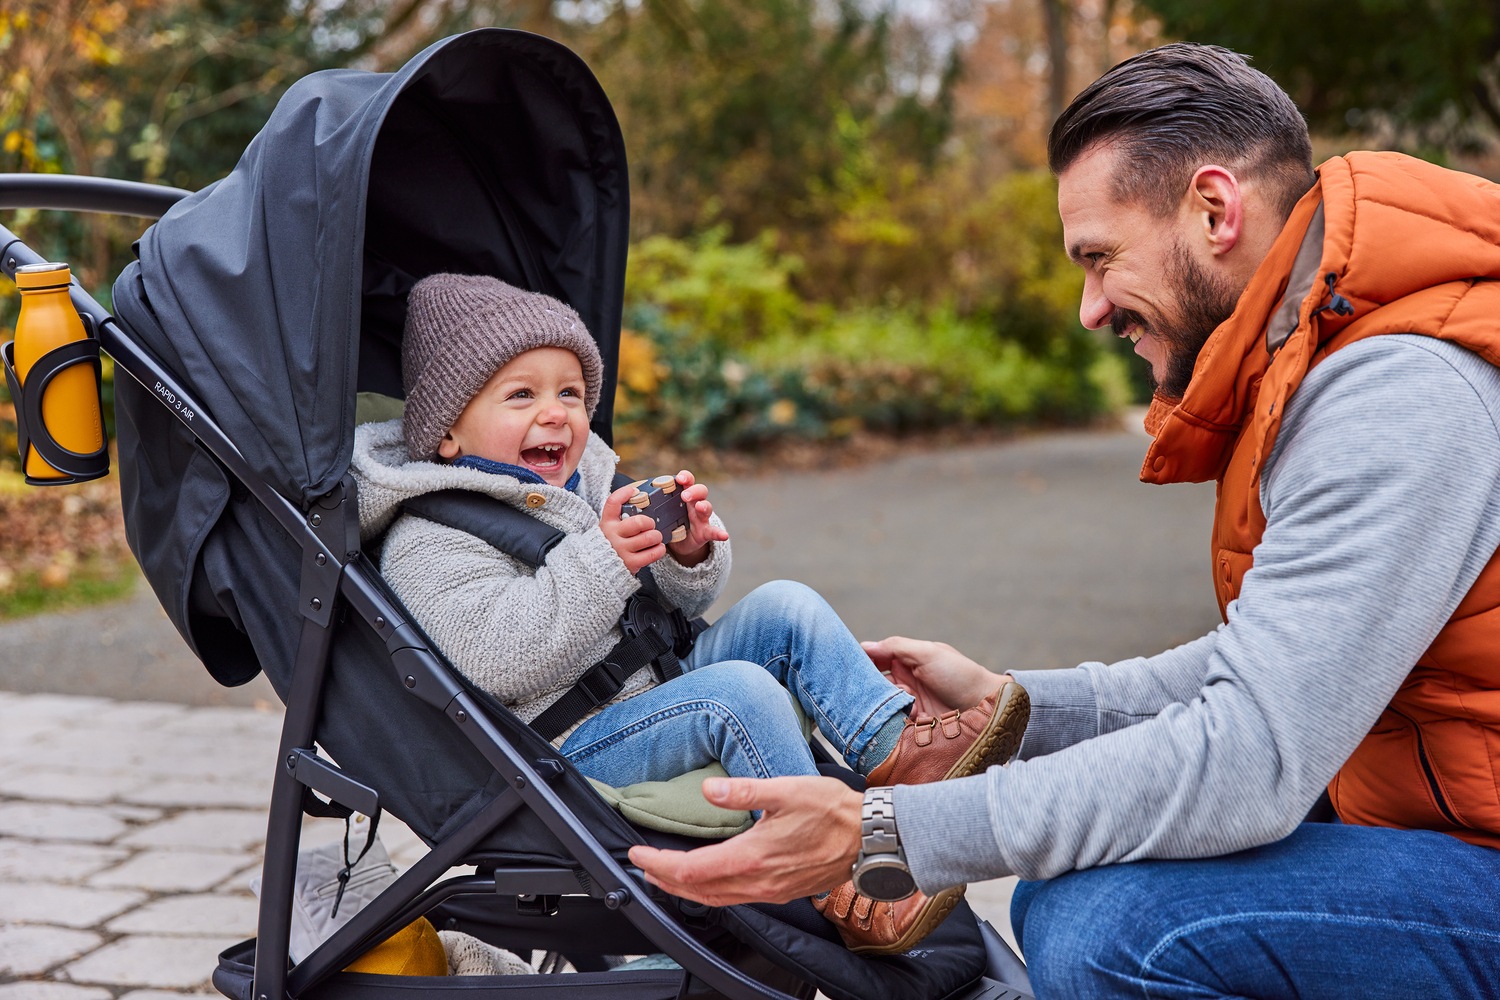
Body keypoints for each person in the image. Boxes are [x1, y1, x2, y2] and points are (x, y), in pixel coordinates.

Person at [629, 42, 1500, 998]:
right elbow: (1268, 665)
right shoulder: (1324, 350)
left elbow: (1251, 755)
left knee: (1114, 927)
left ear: (1215, 210)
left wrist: (888, 838)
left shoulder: (1398, 393)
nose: (1088, 309)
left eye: (1099, 258)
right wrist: (1022, 706)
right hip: (1436, 807)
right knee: (1067, 897)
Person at [348, 272, 1032, 955]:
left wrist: (685, 556)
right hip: (567, 741)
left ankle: (898, 754)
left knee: (784, 606)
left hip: (649, 688)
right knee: (739, 696)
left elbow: (673, 607)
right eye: (521, 395)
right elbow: (502, 658)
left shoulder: (577, 482)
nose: (556, 413)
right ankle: (837, 879)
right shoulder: (428, 538)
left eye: (571, 393)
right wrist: (606, 561)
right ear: (446, 431)